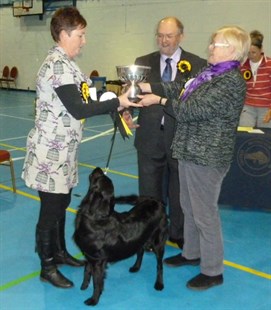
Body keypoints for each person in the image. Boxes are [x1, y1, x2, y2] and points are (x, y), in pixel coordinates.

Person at [21, 7, 140, 289]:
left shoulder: (69, 63)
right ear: (64, 34)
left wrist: (118, 114)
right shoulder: (57, 64)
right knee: (50, 209)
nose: (84, 40)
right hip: (50, 151)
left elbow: (92, 96)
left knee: (61, 202)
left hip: (64, 150)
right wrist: (118, 103)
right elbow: (77, 108)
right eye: (81, 35)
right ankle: (46, 265)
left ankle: (60, 252)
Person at [137, 26, 250, 290]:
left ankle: (212, 270)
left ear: (232, 51)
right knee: (187, 207)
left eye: (216, 44)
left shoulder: (231, 80)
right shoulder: (208, 73)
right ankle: (191, 253)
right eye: (212, 42)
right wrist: (148, 86)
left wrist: (159, 101)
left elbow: (194, 110)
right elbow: (179, 86)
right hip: (189, 151)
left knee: (204, 213)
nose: (210, 47)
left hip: (207, 157)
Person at [133, 17, 206, 249]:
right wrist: (124, 113)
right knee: (148, 192)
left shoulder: (197, 64)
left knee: (180, 193)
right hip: (149, 138)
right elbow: (131, 95)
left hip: (181, 139)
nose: (163, 40)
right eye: (160, 35)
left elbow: (197, 104)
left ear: (181, 36)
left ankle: (179, 233)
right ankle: (150, 235)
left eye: (169, 35)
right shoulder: (142, 62)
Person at [239, 30, 271, 128]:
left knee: (266, 137)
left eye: (254, 52)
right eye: (248, 52)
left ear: (261, 49)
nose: (251, 55)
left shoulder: (269, 65)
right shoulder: (242, 65)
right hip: (247, 106)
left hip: (266, 107)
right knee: (244, 132)